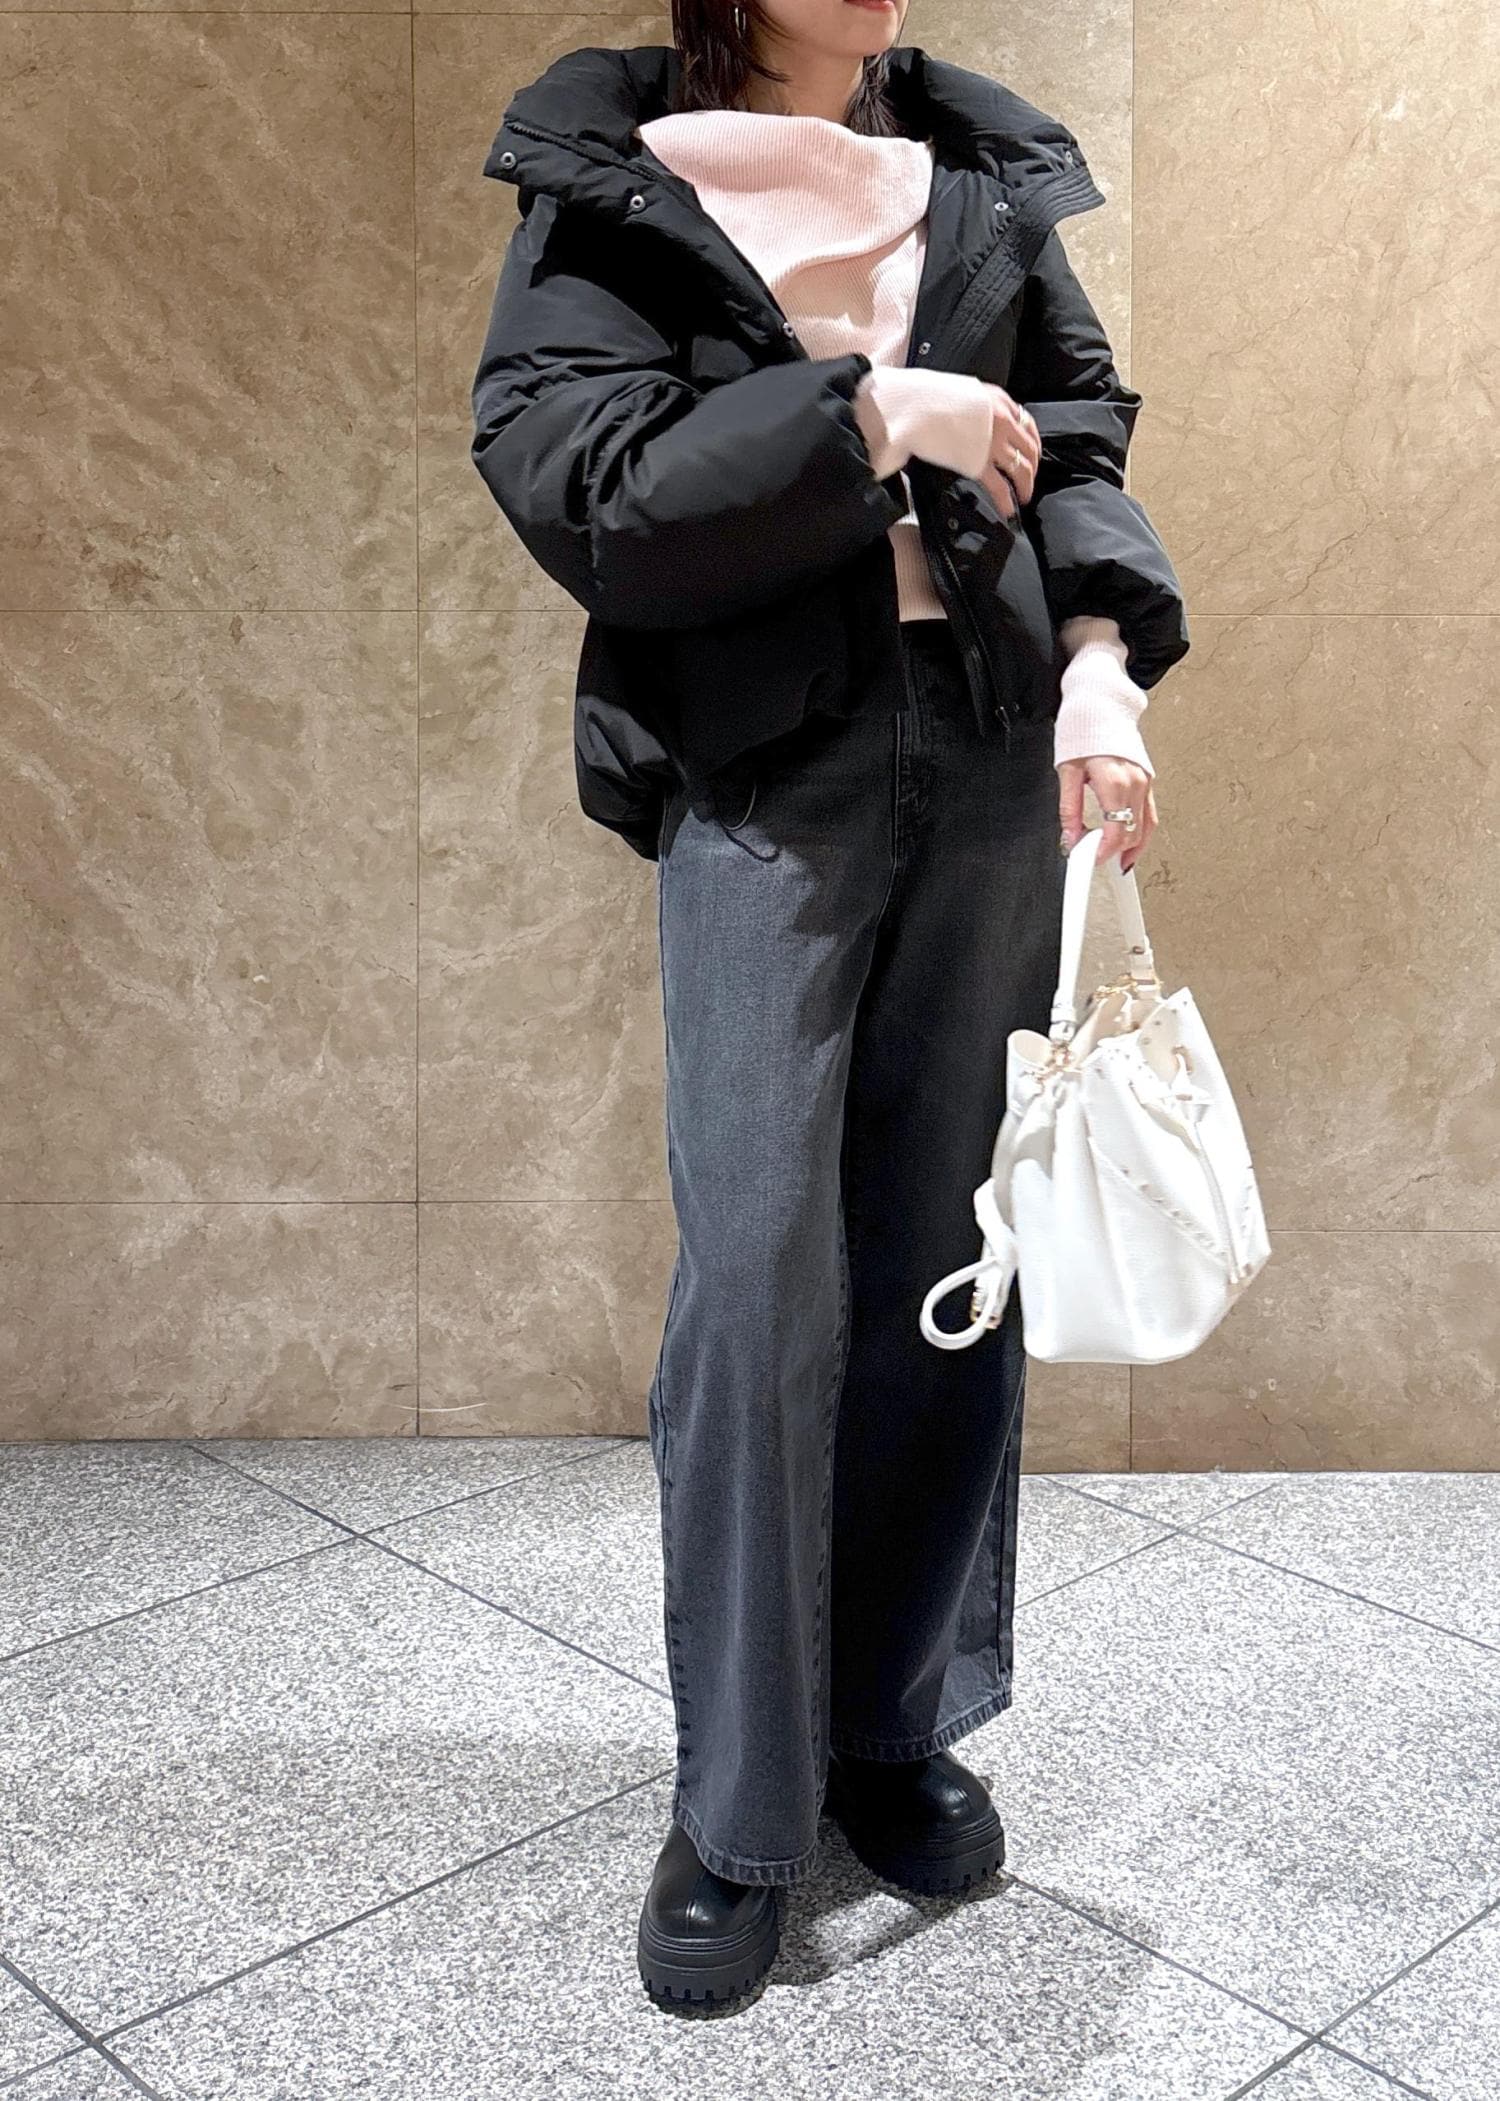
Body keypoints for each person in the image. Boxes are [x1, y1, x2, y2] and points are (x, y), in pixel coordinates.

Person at [470, 0, 1189, 2015]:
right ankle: (739, 1803)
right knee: (762, 1274)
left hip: (990, 753)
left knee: (946, 1258)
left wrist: (1103, 666)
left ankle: (889, 1722)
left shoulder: (974, 159)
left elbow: (1079, 427)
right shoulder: (614, 172)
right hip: (765, 771)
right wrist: (870, 416)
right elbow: (582, 477)